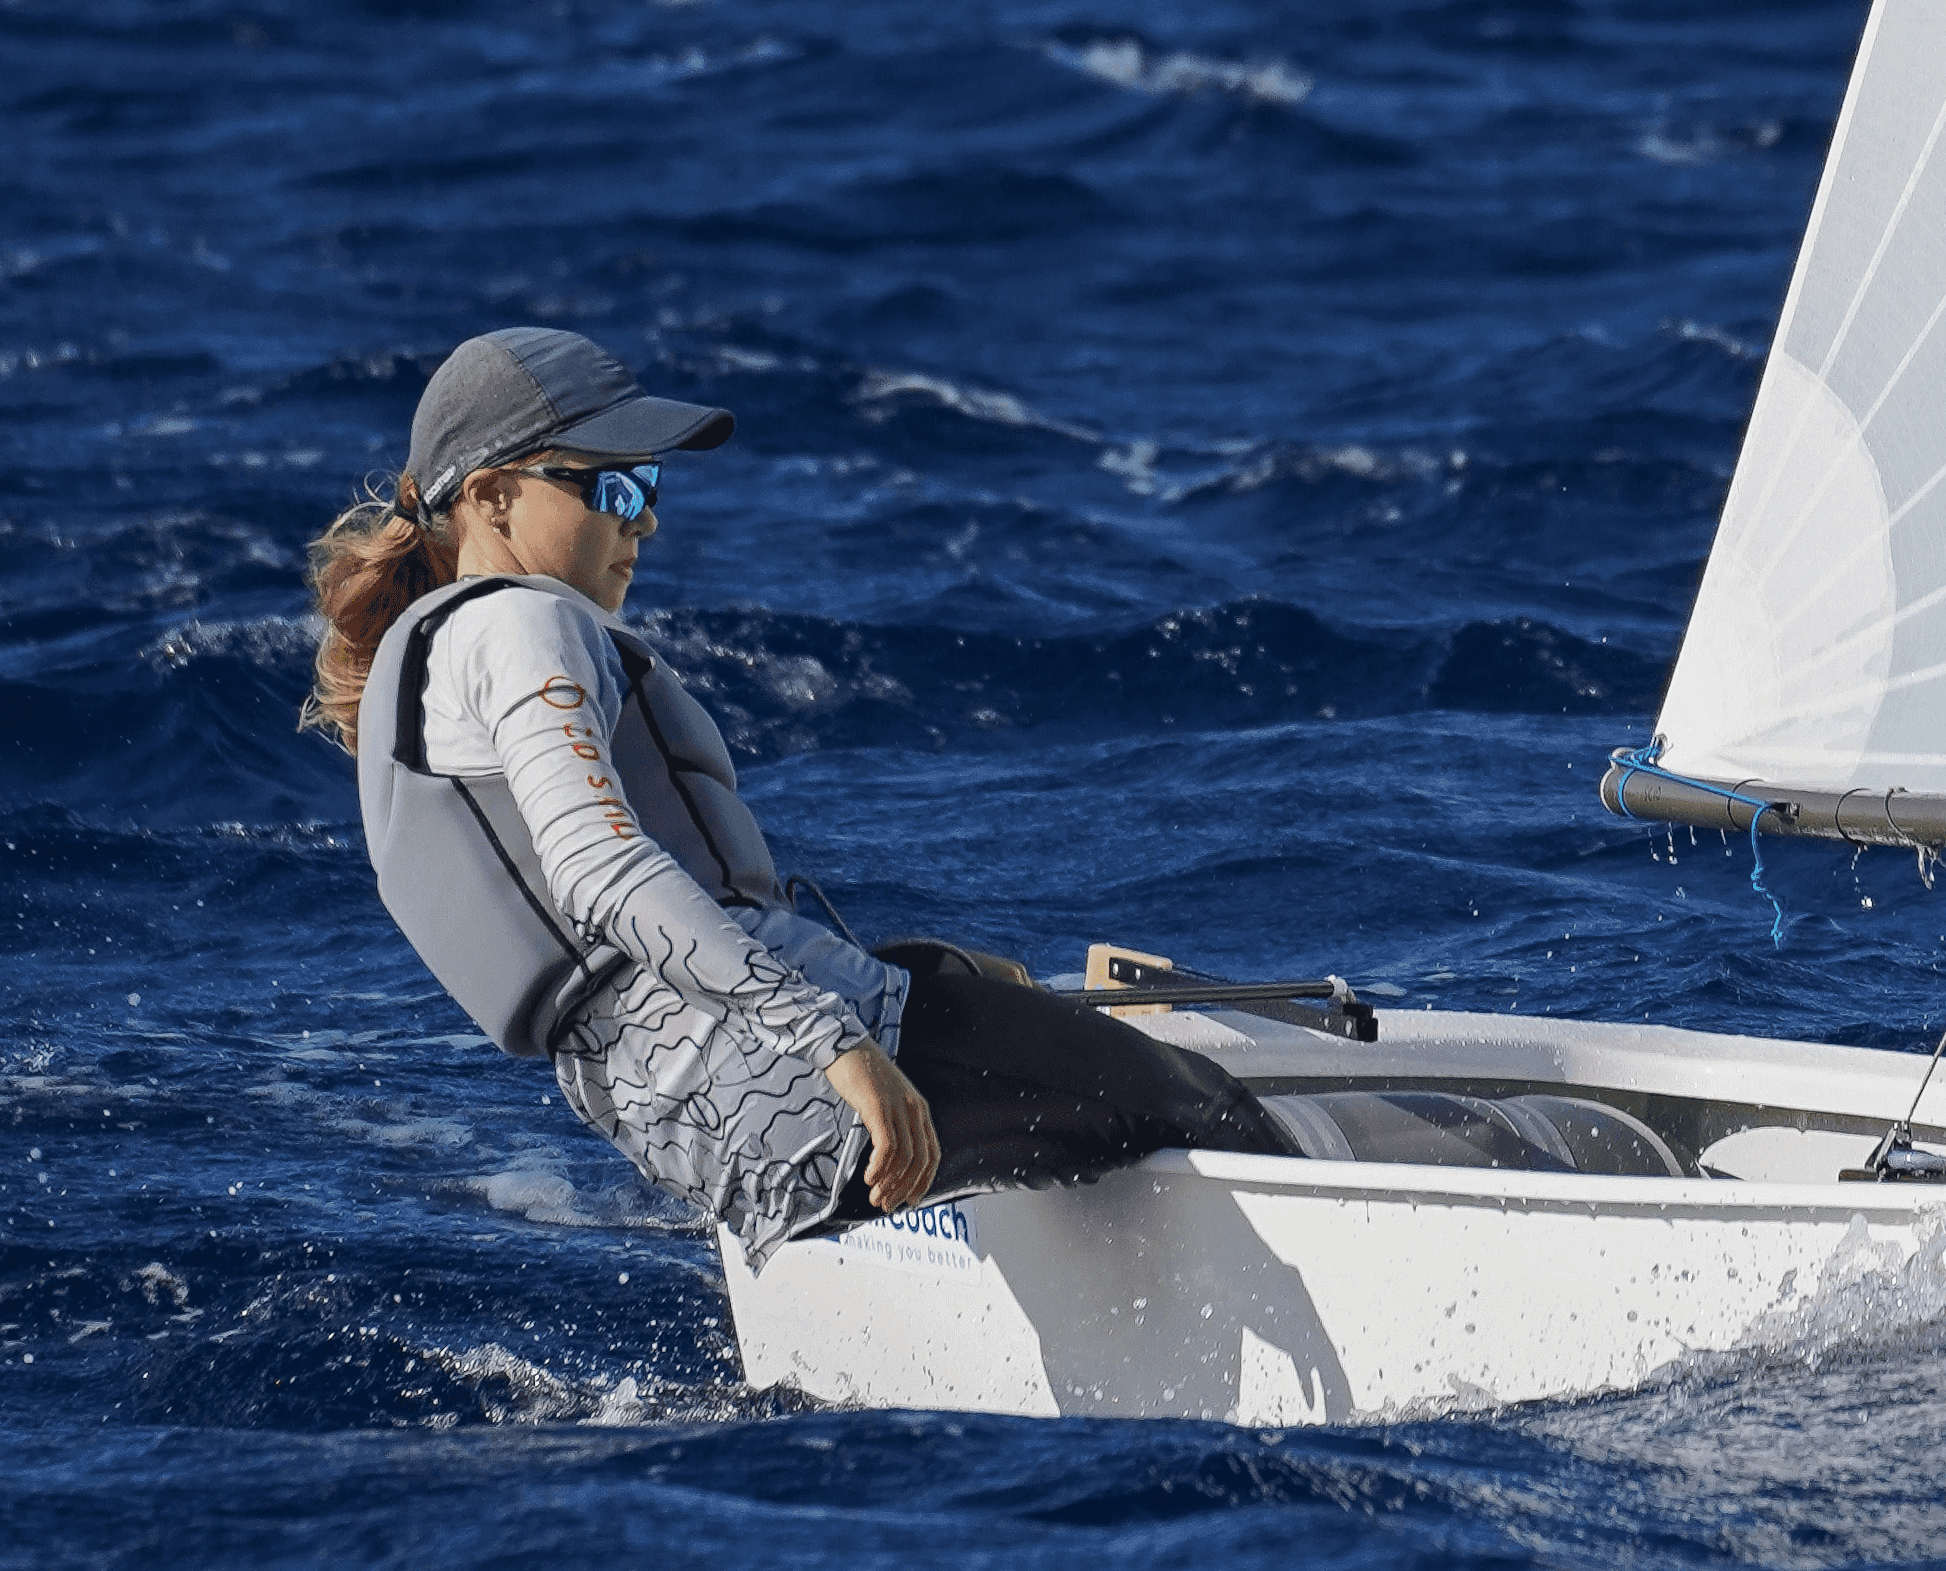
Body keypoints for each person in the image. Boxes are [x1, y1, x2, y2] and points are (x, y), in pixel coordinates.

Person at [303, 323, 1289, 1261]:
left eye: (650, 480)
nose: (646, 513)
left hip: (691, 1124)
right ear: (493, 496)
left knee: (978, 995)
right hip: (786, 1065)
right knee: (1202, 1105)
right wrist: (836, 1043)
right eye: (612, 481)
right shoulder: (517, 626)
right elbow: (599, 871)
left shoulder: (415, 677)